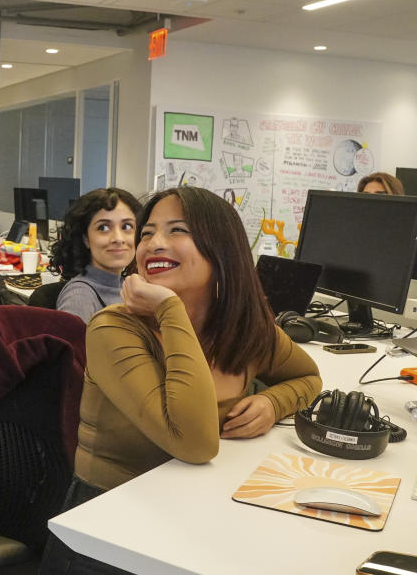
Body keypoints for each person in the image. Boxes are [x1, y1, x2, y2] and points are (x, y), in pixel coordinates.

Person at [40, 187, 322, 574]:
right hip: (106, 528)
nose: (154, 243)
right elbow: (194, 443)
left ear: (221, 248)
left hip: (199, 513)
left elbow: (308, 377)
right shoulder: (114, 329)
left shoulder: (243, 329)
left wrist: (272, 404)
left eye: (177, 230)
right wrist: (170, 309)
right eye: (147, 233)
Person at [48, 188, 142, 322]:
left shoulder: (127, 288)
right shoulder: (79, 296)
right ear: (86, 239)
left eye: (127, 226)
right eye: (103, 228)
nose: (118, 238)